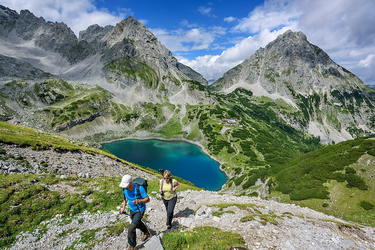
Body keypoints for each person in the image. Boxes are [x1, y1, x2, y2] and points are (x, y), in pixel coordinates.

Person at [119, 174, 150, 250]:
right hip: (132, 210)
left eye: (126, 185)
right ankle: (146, 233)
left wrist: (139, 200)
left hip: (140, 210)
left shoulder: (139, 188)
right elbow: (125, 199)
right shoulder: (124, 189)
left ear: (130, 183)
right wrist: (123, 207)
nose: (124, 186)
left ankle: (132, 246)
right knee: (137, 223)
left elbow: (147, 199)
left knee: (131, 228)